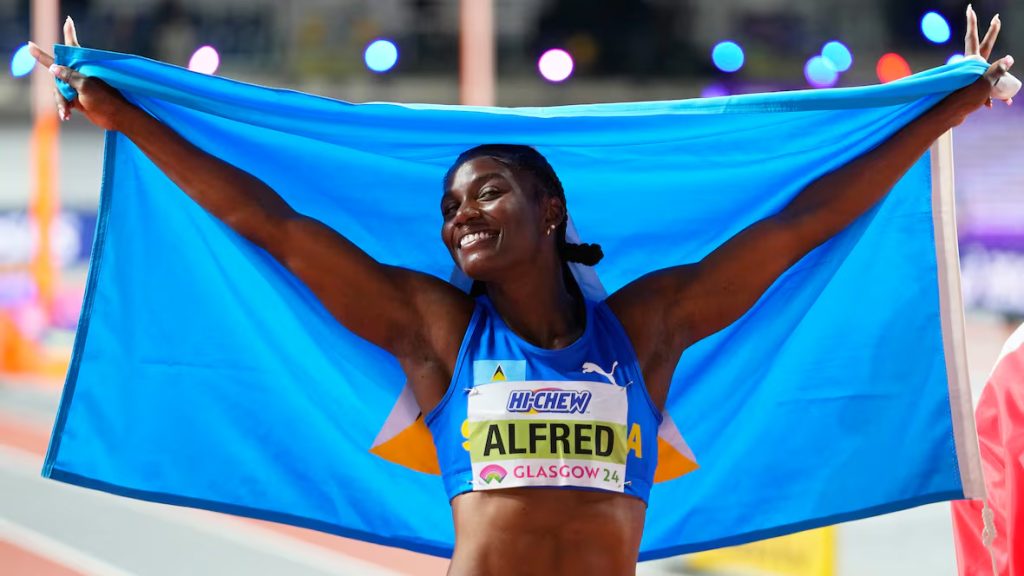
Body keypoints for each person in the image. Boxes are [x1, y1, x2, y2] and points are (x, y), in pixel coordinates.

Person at [29, 8, 1012, 576]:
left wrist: (944, 112)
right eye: (450, 206)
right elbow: (272, 229)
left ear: (548, 209)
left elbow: (802, 227)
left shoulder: (647, 329)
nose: (460, 215)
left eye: (487, 191)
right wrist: (125, 116)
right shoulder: (437, 332)